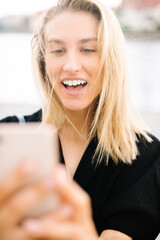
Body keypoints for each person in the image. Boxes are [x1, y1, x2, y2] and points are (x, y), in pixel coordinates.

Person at [0, 0, 160, 239]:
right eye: (57, 50)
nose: (71, 65)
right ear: (44, 62)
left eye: (88, 49)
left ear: (110, 59)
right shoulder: (9, 133)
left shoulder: (145, 158)